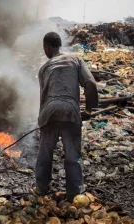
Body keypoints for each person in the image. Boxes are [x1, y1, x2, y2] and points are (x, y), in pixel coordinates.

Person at [32, 32, 99, 201]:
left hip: (50, 111)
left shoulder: (44, 68)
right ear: (59, 45)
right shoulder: (76, 60)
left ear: (47, 47)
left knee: (45, 153)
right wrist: (89, 110)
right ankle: (75, 193)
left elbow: (43, 99)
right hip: (70, 111)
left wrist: (42, 122)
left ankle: (41, 188)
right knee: (72, 156)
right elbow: (90, 84)